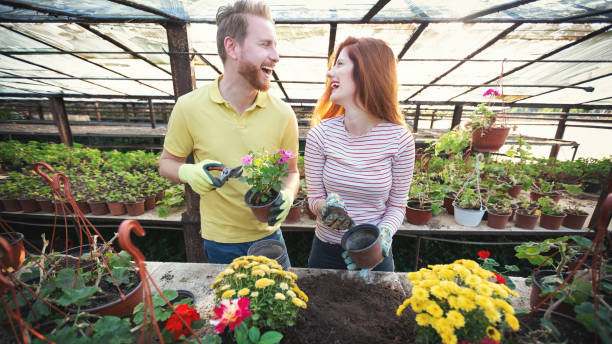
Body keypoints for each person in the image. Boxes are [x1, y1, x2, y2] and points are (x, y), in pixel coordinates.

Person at [159, 0, 299, 264]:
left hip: (269, 238)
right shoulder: (189, 107)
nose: (276, 56)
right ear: (232, 47)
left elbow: (291, 171)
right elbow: (166, 163)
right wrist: (186, 172)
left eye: (275, 45)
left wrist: (288, 195)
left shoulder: (282, 114)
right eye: (265, 44)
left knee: (284, 305)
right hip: (219, 241)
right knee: (229, 306)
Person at [304, 37, 415, 272]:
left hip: (374, 253)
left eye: (340, 64)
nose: (329, 73)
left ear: (367, 71)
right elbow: (313, 198)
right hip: (325, 252)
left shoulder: (400, 139)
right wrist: (325, 208)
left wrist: (382, 237)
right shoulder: (319, 134)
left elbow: (397, 207)